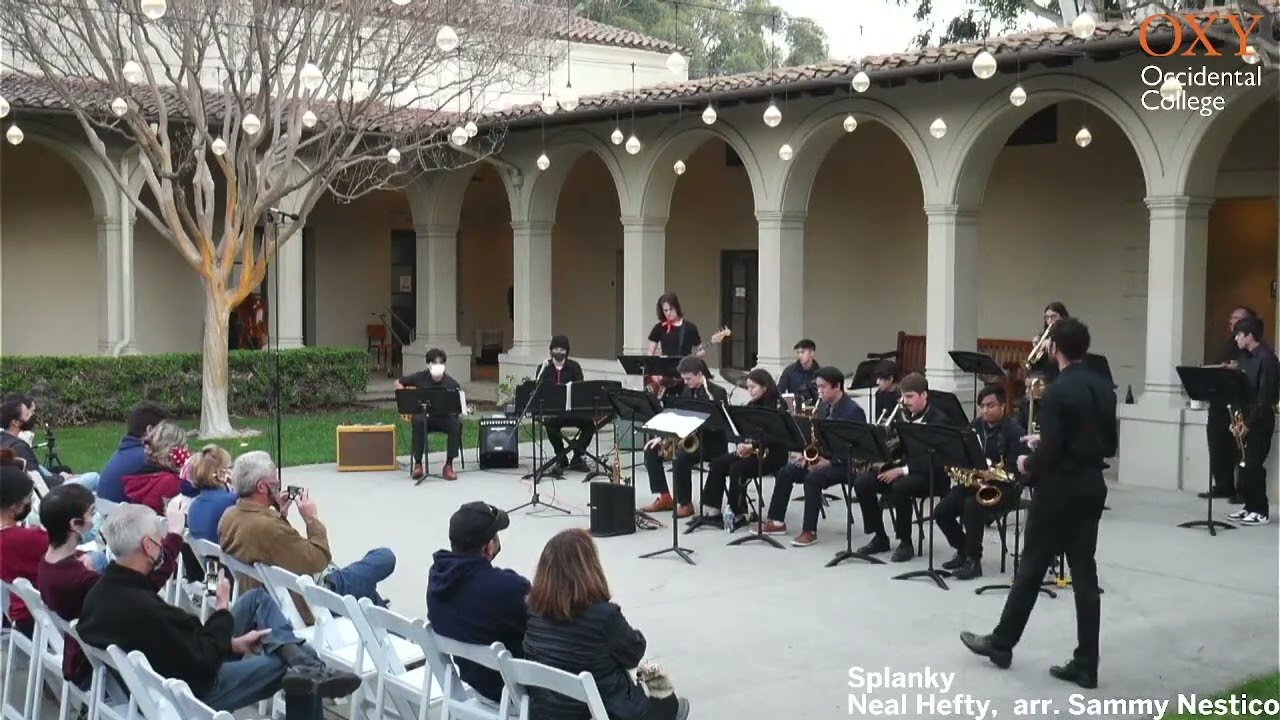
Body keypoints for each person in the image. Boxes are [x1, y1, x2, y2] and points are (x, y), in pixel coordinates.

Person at [77, 505, 362, 719]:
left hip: (166, 670)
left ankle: (300, 660)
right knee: (296, 666)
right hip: (194, 690)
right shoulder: (146, 609)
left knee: (255, 599)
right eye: (159, 539)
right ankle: (305, 664)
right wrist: (223, 609)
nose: (162, 544)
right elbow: (202, 661)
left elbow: (181, 645)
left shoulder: (101, 594)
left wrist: (233, 644)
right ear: (149, 546)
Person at [961, 317, 1115, 690]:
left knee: (1030, 569)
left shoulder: (1058, 391)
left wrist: (1028, 461)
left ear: (1054, 349)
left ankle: (1001, 644)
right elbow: (1109, 444)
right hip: (1092, 485)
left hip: (1059, 489)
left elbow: (1051, 454)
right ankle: (1086, 663)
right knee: (1084, 576)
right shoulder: (1103, 387)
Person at [524, 529, 690, 720]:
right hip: (601, 711)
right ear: (589, 569)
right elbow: (633, 655)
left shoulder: (533, 610)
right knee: (671, 703)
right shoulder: (604, 616)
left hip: (547, 712)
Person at [36, 483, 184, 687]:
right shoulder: (81, 579)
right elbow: (141, 590)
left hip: (84, 653)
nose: (95, 518)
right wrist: (174, 536)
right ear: (75, 524)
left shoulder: (49, 563)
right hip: (100, 665)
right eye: (91, 513)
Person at [218, 451, 396, 619]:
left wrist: (280, 514)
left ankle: (377, 605)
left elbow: (273, 548)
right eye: (275, 484)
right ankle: (383, 617)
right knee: (384, 557)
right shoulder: (266, 527)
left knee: (366, 590)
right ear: (262, 487)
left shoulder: (229, 516)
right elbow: (319, 559)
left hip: (273, 593)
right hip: (314, 596)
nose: (278, 487)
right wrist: (311, 519)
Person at [426, 502, 530, 707]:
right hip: (516, 695)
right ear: (489, 546)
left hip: (478, 688)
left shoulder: (437, 578)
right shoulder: (507, 588)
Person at [762, 366, 866, 546]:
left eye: (823, 387)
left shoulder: (853, 411)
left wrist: (829, 462)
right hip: (826, 458)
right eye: (818, 387)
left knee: (812, 479)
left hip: (846, 463)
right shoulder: (824, 406)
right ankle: (777, 521)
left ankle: (809, 531)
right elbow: (817, 438)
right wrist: (807, 455)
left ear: (837, 386)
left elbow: (857, 449)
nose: (819, 391)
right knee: (786, 471)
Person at [851, 372, 950, 562]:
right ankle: (879, 536)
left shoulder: (939, 421)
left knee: (900, 487)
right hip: (907, 469)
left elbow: (937, 459)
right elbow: (900, 450)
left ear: (924, 395)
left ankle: (905, 542)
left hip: (932, 475)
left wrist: (902, 471)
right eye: (903, 396)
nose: (905, 401)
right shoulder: (904, 416)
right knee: (863, 483)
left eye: (910, 396)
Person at [933, 385, 1025, 580]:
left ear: (1003, 406)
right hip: (975, 483)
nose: (985, 410)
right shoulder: (975, 427)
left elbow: (1017, 468)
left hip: (1004, 487)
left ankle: (973, 561)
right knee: (941, 511)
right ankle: (964, 549)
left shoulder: (1014, 431)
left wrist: (993, 472)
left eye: (990, 405)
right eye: (982, 406)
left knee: (972, 507)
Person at [697, 368, 788, 531]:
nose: (750, 391)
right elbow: (741, 429)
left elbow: (778, 436)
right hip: (752, 451)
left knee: (737, 468)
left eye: (753, 387)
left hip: (773, 454)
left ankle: (739, 513)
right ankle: (713, 509)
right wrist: (740, 443)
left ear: (765, 387)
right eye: (748, 387)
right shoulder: (751, 405)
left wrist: (751, 446)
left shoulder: (778, 405)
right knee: (718, 463)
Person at [639, 356, 729, 518]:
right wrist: (663, 437)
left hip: (711, 442)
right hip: (689, 438)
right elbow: (678, 416)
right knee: (652, 450)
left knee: (681, 456)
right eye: (684, 379)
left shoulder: (716, 392)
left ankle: (685, 503)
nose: (685, 382)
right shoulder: (686, 390)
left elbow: (719, 424)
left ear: (700, 374)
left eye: (688, 378)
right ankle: (664, 497)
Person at [1203, 306, 1256, 503]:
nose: (1231, 322)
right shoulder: (1229, 343)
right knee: (1217, 446)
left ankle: (1242, 491)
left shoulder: (1252, 349)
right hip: (1219, 402)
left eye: (1237, 319)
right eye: (1231, 318)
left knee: (1240, 450)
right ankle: (1223, 486)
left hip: (1238, 403)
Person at [1228, 316, 1276, 526]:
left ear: (1249, 336)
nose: (1236, 338)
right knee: (1244, 464)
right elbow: (1240, 391)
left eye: (1239, 334)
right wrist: (1236, 420)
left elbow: (1265, 396)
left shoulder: (1268, 358)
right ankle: (1248, 506)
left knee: (1254, 464)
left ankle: (1260, 510)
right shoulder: (1244, 357)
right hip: (1244, 417)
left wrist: (1248, 422)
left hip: (1260, 419)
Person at [0, 395, 99, 492]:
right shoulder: (19, 447)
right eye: (27, 415)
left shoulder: (4, 440)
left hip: (47, 486)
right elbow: (39, 481)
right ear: (15, 422)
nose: (31, 416)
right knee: (94, 478)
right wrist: (62, 478)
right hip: (50, 494)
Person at [395, 348, 464, 481]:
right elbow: (398, 382)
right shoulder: (419, 377)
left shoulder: (452, 383)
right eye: (434, 365)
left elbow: (457, 407)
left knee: (456, 424)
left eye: (441, 365)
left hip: (444, 419)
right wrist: (404, 395)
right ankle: (418, 464)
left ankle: (448, 465)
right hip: (425, 417)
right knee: (418, 421)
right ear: (428, 365)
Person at [537, 335, 596, 473]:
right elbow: (539, 390)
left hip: (573, 411)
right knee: (550, 424)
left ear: (567, 351)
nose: (559, 352)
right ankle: (560, 456)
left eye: (562, 349)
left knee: (590, 426)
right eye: (556, 349)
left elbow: (580, 389)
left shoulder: (574, 367)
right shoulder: (544, 367)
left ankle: (577, 456)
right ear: (551, 350)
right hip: (554, 412)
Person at [0, 449, 43, 637]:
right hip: (36, 617)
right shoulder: (24, 539)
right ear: (14, 506)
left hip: (14, 614)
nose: (30, 505)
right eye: (28, 500)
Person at [97, 401, 172, 503]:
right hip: (123, 516)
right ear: (149, 430)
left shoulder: (125, 453)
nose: (166, 434)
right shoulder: (148, 458)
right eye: (163, 430)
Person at [120, 420, 190, 513]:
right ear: (172, 452)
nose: (187, 452)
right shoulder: (171, 482)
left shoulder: (144, 477)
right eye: (184, 447)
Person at [186, 445, 238, 543]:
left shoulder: (194, 504)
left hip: (205, 556)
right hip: (226, 556)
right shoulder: (230, 501)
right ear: (221, 473)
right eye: (230, 467)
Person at [647, 292, 702, 359]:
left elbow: (699, 349)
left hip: (684, 368)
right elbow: (650, 354)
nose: (668, 313)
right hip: (665, 367)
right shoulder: (659, 327)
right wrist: (659, 359)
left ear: (676, 308)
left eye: (671, 309)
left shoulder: (690, 327)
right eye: (665, 310)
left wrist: (700, 353)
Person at [777, 339, 820, 404]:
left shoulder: (819, 372)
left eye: (802, 352)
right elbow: (779, 390)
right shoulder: (789, 370)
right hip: (794, 408)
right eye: (798, 353)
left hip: (814, 408)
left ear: (812, 353)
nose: (800, 355)